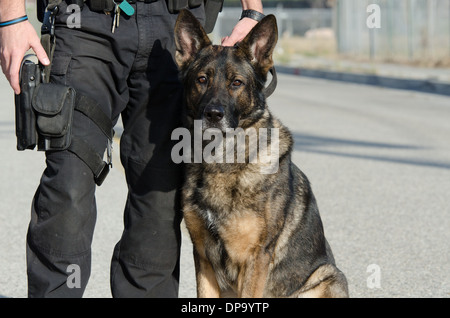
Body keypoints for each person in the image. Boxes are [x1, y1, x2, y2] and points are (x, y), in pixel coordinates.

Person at [0, 0, 264, 297]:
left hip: (174, 24)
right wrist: (11, 18)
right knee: (68, 182)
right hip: (84, 24)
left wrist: (252, 10)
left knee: (160, 198)